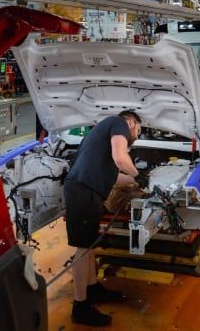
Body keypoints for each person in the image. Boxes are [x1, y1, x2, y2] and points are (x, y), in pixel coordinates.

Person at [64, 110, 147, 327]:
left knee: (90, 246)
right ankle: (80, 306)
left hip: (86, 190)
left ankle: (92, 289)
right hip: (82, 190)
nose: (135, 137)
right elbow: (121, 159)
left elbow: (116, 175)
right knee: (83, 248)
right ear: (130, 122)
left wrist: (137, 183)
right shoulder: (118, 122)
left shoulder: (104, 141)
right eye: (137, 131)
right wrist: (139, 175)